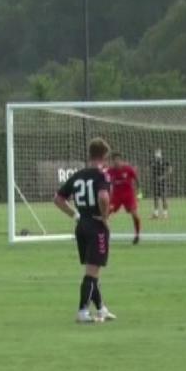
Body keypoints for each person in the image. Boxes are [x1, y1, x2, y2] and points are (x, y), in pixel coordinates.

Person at [53, 138, 118, 324]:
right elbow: (104, 197)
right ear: (104, 156)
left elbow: (57, 199)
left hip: (81, 224)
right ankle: (82, 311)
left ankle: (101, 309)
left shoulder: (78, 175)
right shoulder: (102, 175)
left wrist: (75, 215)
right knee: (92, 271)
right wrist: (105, 218)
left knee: (92, 268)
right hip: (96, 225)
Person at [107, 152, 142, 245]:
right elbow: (105, 180)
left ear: (121, 160)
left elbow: (137, 180)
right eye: (114, 160)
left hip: (128, 195)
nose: (116, 162)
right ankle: (105, 236)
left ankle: (137, 235)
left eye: (117, 160)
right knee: (105, 214)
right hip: (116, 196)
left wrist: (139, 193)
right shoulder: (110, 171)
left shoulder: (128, 169)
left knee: (135, 215)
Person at [150, 148, 172, 219]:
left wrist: (163, 176)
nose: (157, 154)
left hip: (163, 182)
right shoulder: (153, 161)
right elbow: (150, 168)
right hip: (155, 182)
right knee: (155, 198)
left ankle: (165, 214)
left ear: (161, 153)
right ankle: (156, 214)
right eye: (156, 152)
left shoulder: (165, 160)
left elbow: (170, 169)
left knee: (163, 197)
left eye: (158, 152)